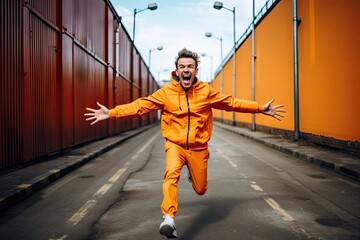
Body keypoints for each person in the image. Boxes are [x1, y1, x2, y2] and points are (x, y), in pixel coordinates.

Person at [84, 48, 285, 238]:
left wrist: (260, 108)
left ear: (196, 70)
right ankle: (169, 218)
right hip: (175, 144)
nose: (186, 70)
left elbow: (231, 103)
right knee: (171, 174)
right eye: (182, 67)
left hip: (198, 148)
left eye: (190, 66)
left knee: (201, 189)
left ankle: (192, 171)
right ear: (177, 70)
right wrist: (111, 112)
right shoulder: (166, 93)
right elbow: (141, 106)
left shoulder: (205, 91)